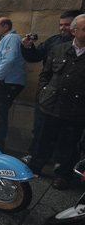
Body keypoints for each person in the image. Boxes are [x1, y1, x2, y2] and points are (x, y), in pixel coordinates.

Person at [28, 14, 85, 190]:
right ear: (74, 31)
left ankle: (63, 175)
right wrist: (43, 94)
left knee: (69, 144)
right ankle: (35, 166)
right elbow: (45, 74)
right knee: (43, 139)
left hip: (76, 109)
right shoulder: (58, 49)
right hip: (51, 105)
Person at [19, 10, 81, 162]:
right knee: (41, 131)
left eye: (67, 25)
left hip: (74, 104)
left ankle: (60, 166)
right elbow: (37, 60)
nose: (63, 28)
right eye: (61, 25)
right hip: (49, 99)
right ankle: (35, 159)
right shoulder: (54, 42)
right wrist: (27, 47)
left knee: (67, 138)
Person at [0, 17, 26, 151]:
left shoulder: (11, 38)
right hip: (5, 82)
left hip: (5, 82)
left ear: (5, 27)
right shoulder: (7, 38)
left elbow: (9, 60)